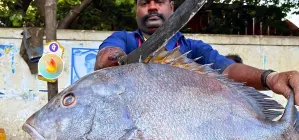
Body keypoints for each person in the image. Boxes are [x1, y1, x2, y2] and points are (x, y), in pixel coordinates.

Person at [94, 0, 299, 105]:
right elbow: (107, 54)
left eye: (159, 1)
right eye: (144, 3)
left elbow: (227, 70)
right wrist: (110, 58)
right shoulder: (124, 39)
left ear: (172, 7)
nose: (152, 8)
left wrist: (270, 78)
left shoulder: (194, 48)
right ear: (136, 10)